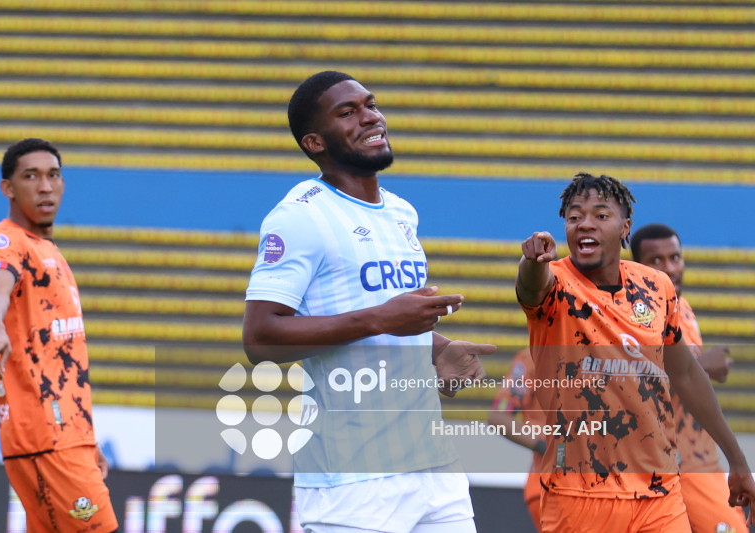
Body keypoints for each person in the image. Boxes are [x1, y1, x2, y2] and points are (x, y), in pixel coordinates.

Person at [243, 71, 495, 533]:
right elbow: (260, 338)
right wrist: (382, 319)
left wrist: (437, 348)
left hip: (434, 469)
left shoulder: (401, 212)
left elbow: (374, 310)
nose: (370, 117)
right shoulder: (300, 217)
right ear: (315, 142)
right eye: (348, 112)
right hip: (352, 480)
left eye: (370, 104)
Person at [515, 172, 755, 532]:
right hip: (580, 497)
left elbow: (687, 375)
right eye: (574, 216)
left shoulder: (656, 287)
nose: (585, 224)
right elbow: (530, 286)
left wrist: (737, 460)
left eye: (600, 215)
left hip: (660, 494)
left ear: (626, 227)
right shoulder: (556, 284)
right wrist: (533, 262)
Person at [0, 138, 118, 532]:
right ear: (8, 188)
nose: (45, 186)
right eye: (31, 176)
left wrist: (86, 440)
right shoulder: (7, 242)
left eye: (53, 175)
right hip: (44, 435)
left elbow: (62, 359)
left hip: (66, 437)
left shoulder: (47, 249)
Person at [631, 223, 746, 533]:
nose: (670, 268)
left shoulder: (683, 309)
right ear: (635, 266)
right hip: (676, 467)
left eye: (675, 257)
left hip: (701, 461)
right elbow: (629, 385)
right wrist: (703, 367)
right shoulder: (632, 316)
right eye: (656, 261)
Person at [485, 347, 545, 532]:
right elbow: (499, 417)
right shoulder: (532, 357)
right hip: (551, 485)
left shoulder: (615, 354)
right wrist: (547, 447)